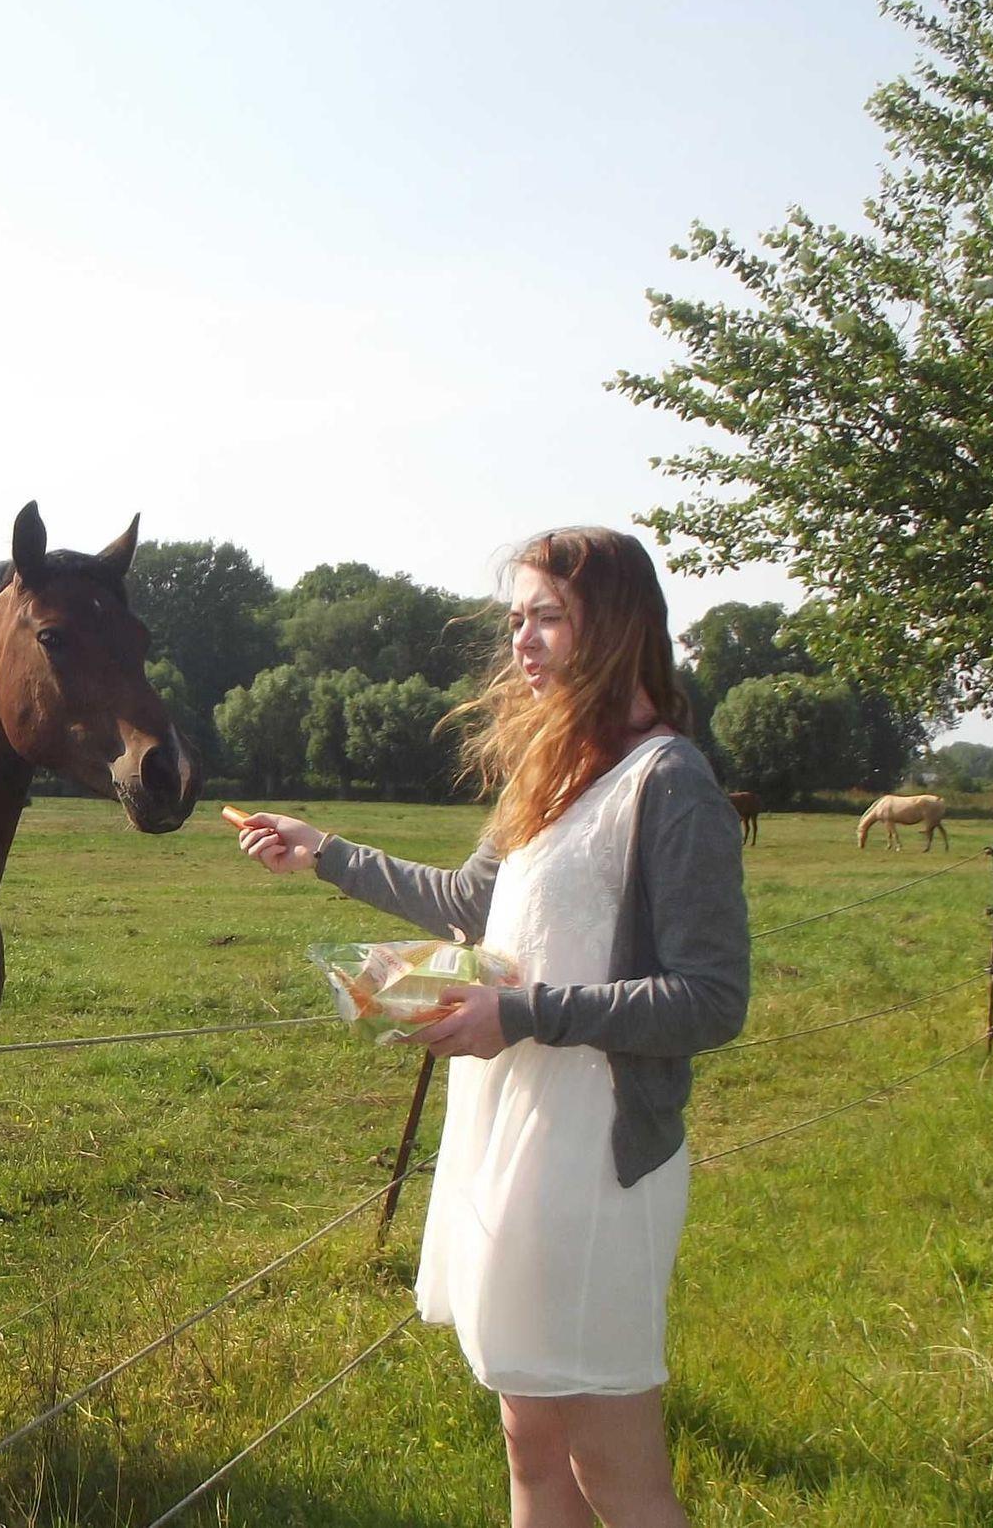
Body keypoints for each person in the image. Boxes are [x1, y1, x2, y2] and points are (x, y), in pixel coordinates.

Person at [235, 527, 748, 1528]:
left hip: (597, 1150)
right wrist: (323, 851)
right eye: (516, 618)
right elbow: (471, 904)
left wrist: (518, 1012)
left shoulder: (668, 781)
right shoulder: (548, 767)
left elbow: (709, 996)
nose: (522, 640)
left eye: (548, 616)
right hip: (509, 1125)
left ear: (616, 625)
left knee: (615, 1467)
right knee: (529, 1439)